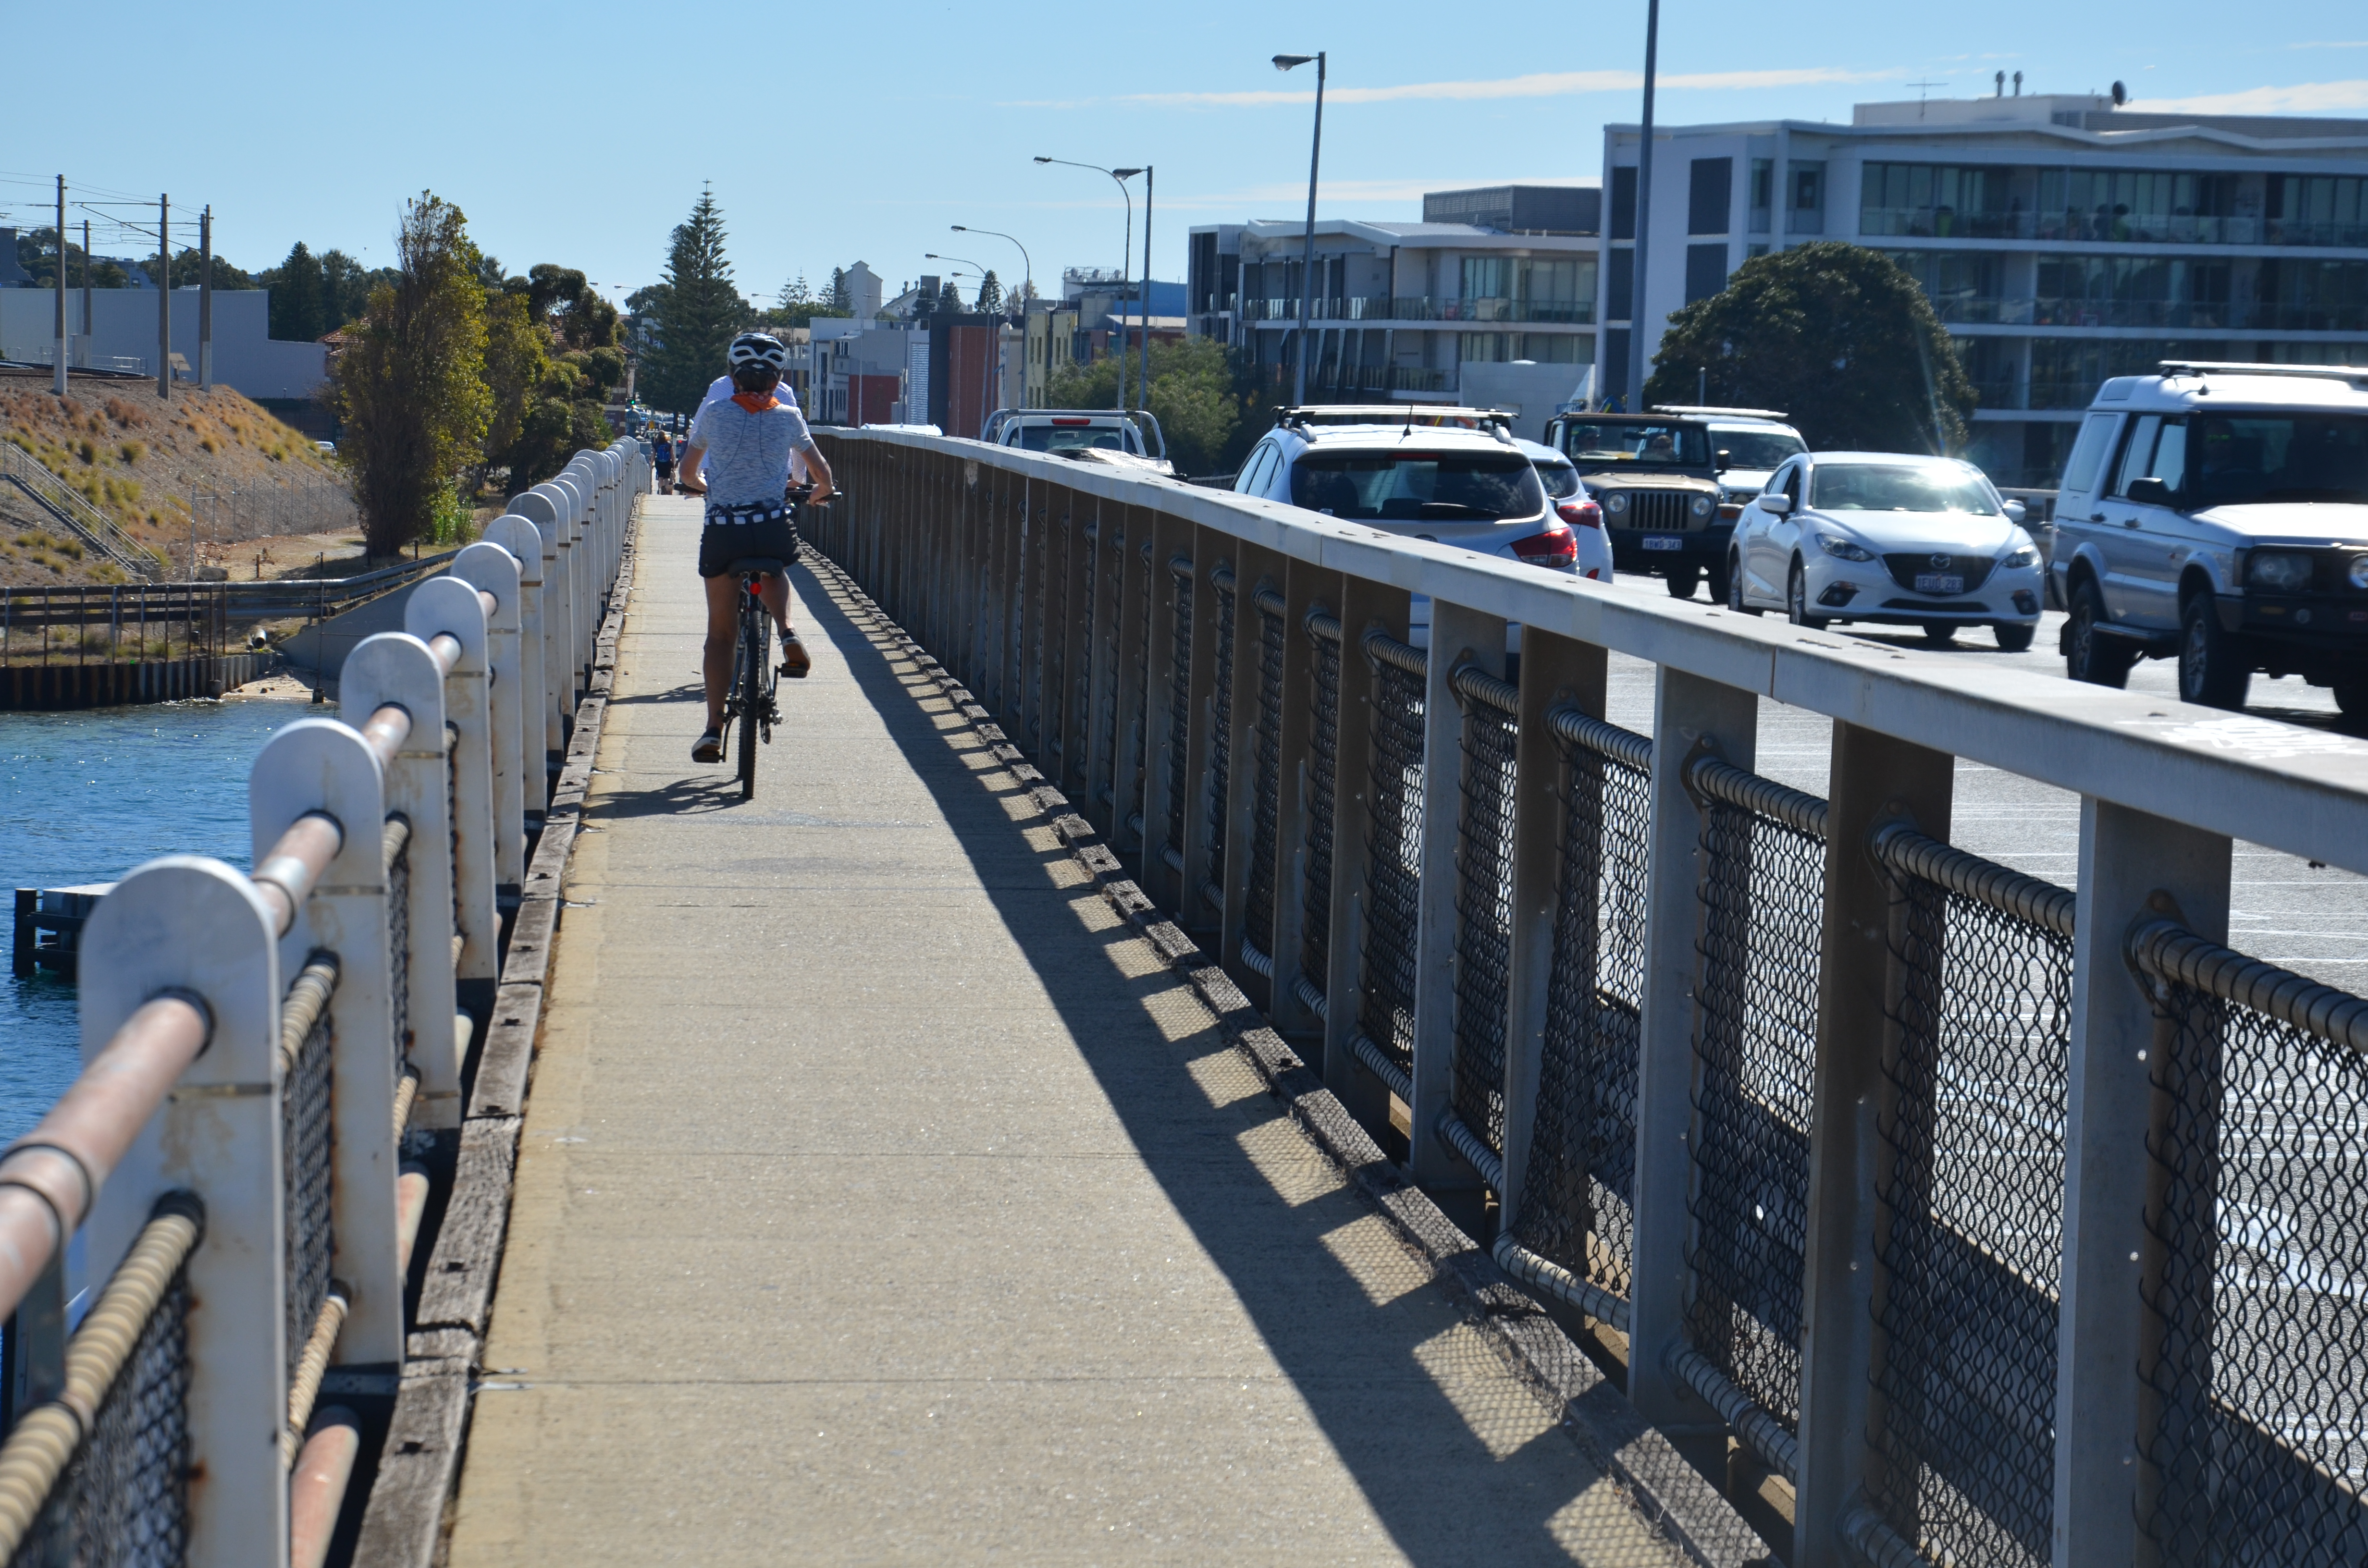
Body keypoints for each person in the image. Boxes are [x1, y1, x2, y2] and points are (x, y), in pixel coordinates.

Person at [676, 332, 837, 765]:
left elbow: (688, 472)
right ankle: (787, 633)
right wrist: (818, 494)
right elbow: (823, 478)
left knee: (720, 635)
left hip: (724, 532)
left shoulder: (713, 413)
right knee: (775, 569)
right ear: (777, 379)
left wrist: (705, 487)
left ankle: (713, 729)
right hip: (769, 528)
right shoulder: (789, 418)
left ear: (734, 376)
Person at [650, 427, 677, 493]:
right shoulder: (669, 444)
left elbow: (653, 454)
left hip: (659, 463)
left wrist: (651, 463)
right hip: (667, 463)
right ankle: (666, 489)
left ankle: (662, 489)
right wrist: (674, 464)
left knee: (660, 477)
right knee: (666, 478)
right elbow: (672, 455)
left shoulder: (656, 444)